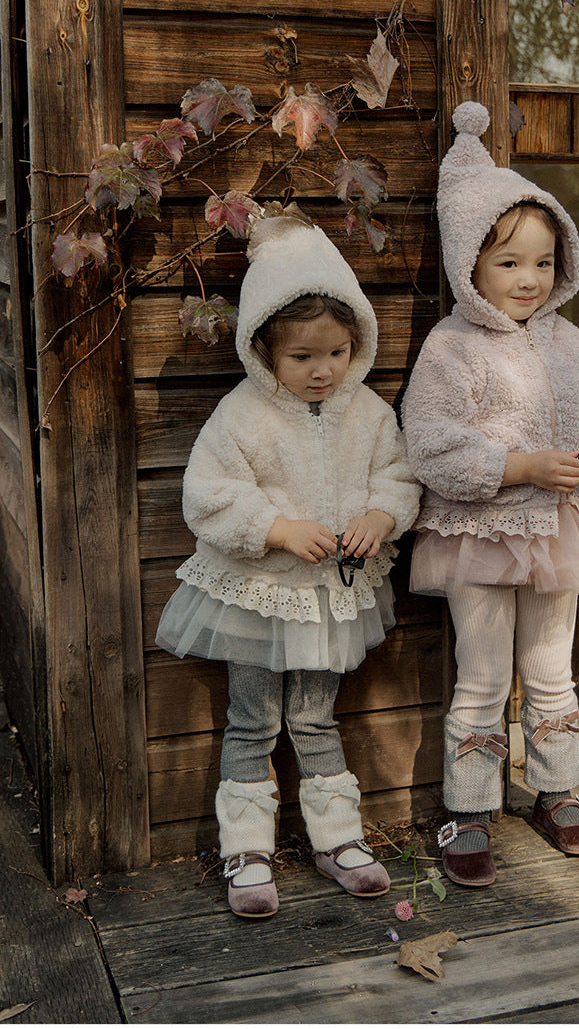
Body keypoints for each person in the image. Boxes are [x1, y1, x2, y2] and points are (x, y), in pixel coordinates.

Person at [401, 102, 579, 887]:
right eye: (509, 263)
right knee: (481, 675)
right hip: (478, 533)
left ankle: (556, 790)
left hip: (557, 533)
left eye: (542, 262)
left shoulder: (568, 341)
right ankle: (469, 806)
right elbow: (429, 443)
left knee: (550, 668)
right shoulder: (452, 346)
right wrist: (523, 466)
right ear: (468, 263)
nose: (529, 280)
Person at [156, 213, 421, 917]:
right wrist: (276, 528)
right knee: (252, 721)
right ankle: (246, 848)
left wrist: (379, 517)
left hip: (328, 601)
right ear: (264, 349)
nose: (322, 369)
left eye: (336, 352)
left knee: (314, 717)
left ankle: (337, 838)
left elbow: (397, 477)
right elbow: (208, 495)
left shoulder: (367, 412)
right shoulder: (242, 415)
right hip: (259, 596)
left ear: (356, 345)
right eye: (302, 356)